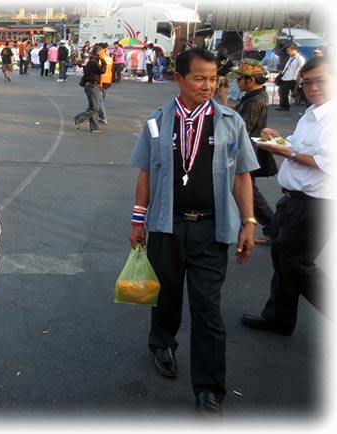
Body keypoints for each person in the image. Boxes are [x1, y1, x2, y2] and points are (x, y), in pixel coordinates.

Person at [128, 48, 258, 417]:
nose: (208, 85)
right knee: (165, 297)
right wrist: (138, 222)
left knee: (208, 310)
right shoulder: (157, 121)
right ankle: (162, 345)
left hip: (212, 230)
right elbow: (146, 173)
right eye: (199, 78)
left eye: (213, 78)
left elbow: (242, 175)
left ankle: (209, 388)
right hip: (167, 226)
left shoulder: (230, 121)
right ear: (179, 79)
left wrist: (248, 222)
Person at [240, 56, 334, 335]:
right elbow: (297, 145)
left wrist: (287, 152)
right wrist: (278, 139)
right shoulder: (312, 113)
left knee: (297, 265)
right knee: (282, 258)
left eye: (321, 81)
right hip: (294, 199)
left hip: (316, 203)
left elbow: (325, 162)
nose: (313, 88)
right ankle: (278, 317)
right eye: (306, 83)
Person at [230, 60, 277, 245]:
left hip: (247, 150)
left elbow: (243, 128)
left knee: (250, 193)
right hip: (250, 149)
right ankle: (272, 228)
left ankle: (273, 228)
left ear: (250, 80)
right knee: (248, 191)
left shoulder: (255, 100)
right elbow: (237, 111)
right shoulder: (254, 96)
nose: (237, 82)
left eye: (240, 79)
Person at [73, 45, 106, 133]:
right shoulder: (93, 62)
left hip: (93, 85)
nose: (103, 54)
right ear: (98, 53)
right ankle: (78, 118)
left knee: (94, 106)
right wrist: (103, 61)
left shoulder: (93, 61)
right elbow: (102, 71)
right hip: (92, 85)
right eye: (102, 53)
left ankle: (95, 127)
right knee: (94, 108)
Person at [276, 44, 306, 111]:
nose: (288, 53)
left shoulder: (299, 58)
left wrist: (298, 78)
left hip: (293, 78)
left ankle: (286, 105)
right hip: (286, 77)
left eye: (289, 51)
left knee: (294, 91)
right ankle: (284, 105)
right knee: (282, 91)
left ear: (294, 50)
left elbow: (301, 68)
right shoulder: (290, 58)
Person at [98, 44, 113, 125]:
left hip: (101, 80)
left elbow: (100, 72)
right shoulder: (109, 58)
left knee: (99, 100)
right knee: (101, 99)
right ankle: (100, 116)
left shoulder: (100, 59)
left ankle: (103, 117)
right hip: (108, 80)